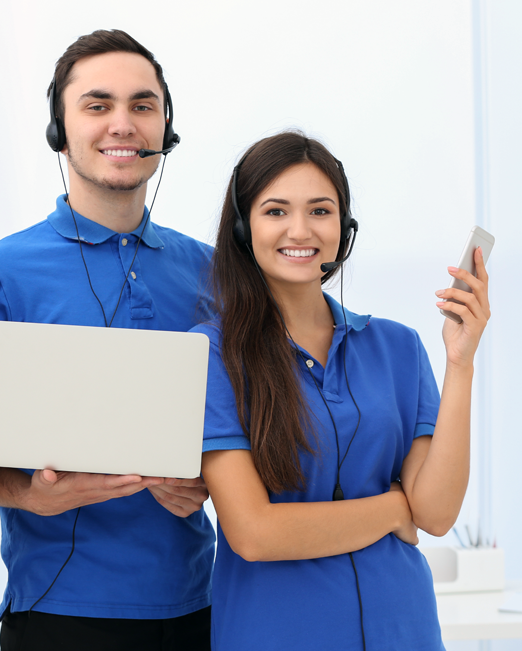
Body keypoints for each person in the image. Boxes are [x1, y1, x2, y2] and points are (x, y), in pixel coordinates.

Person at [0, 30, 215, 650]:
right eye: (98, 106)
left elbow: (254, 422)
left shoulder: (215, 272)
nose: (123, 123)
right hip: (56, 613)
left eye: (142, 106)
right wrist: (30, 497)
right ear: (59, 132)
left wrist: (212, 482)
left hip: (197, 605)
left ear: (164, 130)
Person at [195, 131, 490, 650]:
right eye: (276, 211)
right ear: (243, 228)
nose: (300, 230)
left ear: (344, 226)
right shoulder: (213, 354)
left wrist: (459, 363)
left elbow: (438, 514)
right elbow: (255, 533)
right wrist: (395, 510)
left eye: (320, 210)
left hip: (404, 630)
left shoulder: (397, 346)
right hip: (277, 635)